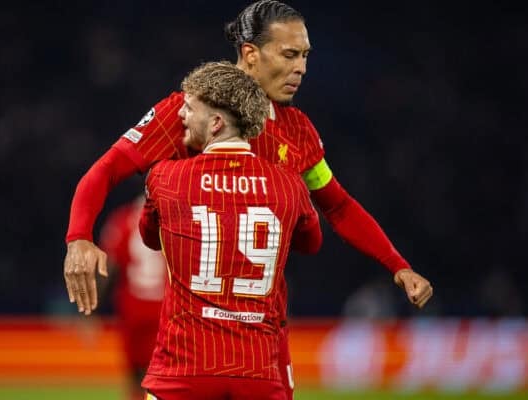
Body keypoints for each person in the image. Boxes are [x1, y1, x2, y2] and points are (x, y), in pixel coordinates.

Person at [63, 1, 433, 398]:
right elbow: (106, 168)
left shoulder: (298, 132)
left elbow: (338, 204)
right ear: (250, 53)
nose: (302, 68)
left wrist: (397, 265)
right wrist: (78, 237)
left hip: (261, 344)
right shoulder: (190, 112)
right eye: (290, 54)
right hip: (195, 342)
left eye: (306, 56)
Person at [141, 61, 322, 399]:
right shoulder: (288, 184)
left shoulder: (166, 177)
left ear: (216, 123)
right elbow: (311, 243)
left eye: (189, 108)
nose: (180, 114)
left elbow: (150, 236)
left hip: (183, 369)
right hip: (259, 371)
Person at [98, 195, 166, 400]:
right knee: (167, 377)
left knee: (136, 377)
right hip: (166, 310)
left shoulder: (122, 219)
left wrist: (93, 308)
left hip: (133, 309)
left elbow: (110, 269)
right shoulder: (174, 218)